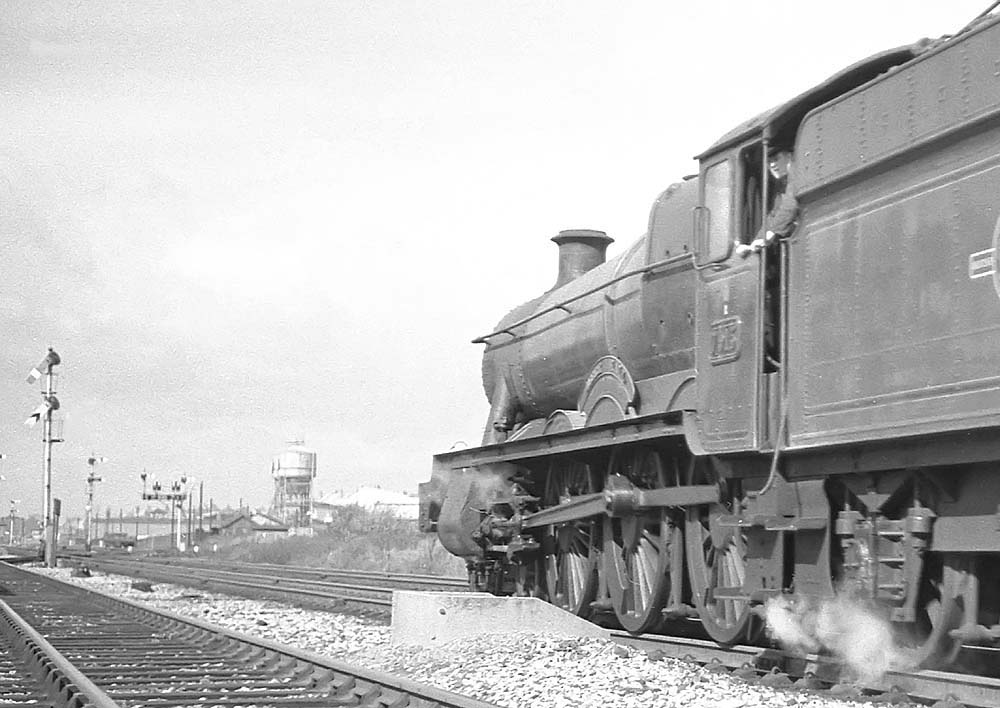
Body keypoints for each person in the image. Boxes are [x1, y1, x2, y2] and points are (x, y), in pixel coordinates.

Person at [737, 149, 798, 256]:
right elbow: (773, 215)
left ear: (789, 156)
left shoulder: (796, 176)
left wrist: (773, 232)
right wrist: (754, 243)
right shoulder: (782, 185)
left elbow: (790, 205)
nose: (772, 165)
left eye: (776, 159)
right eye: (769, 161)